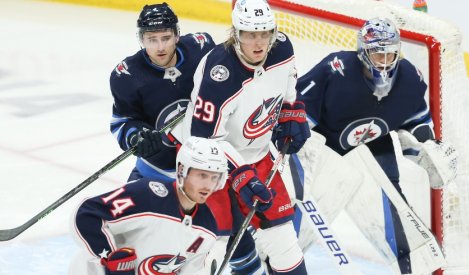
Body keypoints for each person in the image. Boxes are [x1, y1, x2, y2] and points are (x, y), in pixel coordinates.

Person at [296, 17, 456, 273]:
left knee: (401, 229)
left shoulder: (410, 81)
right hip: (326, 152)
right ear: (363, 51)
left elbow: (418, 123)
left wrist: (428, 150)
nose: (383, 62)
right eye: (376, 53)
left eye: (389, 54)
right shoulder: (336, 70)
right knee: (294, 227)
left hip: (374, 148)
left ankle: (417, 268)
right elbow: (296, 115)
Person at [179, 0, 311, 273]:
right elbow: (205, 140)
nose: (259, 42)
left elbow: (289, 83)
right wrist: (240, 172)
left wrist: (290, 110)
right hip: (209, 168)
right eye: (250, 34)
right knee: (210, 251)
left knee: (285, 248)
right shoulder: (220, 73)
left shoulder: (282, 47)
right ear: (235, 34)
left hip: (259, 160)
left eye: (265, 33)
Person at [71, 136, 232, 275]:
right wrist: (110, 260)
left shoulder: (207, 228)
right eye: (202, 175)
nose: (208, 185)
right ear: (182, 170)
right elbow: (87, 214)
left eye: (214, 178)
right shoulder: (147, 195)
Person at [109, 2, 215, 183]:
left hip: (207, 166)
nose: (160, 47)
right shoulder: (127, 76)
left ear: (177, 35)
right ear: (141, 39)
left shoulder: (201, 50)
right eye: (152, 39)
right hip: (158, 170)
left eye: (166, 38)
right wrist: (136, 136)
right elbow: (122, 123)